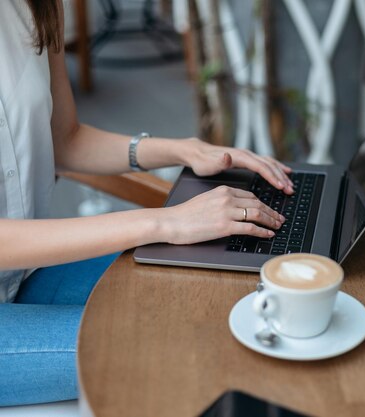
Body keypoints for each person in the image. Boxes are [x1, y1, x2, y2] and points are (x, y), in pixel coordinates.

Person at [0, 0, 292, 406]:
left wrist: (182, 149)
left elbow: (65, 140)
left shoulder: (37, 6)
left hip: (24, 277)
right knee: (181, 344)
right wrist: (165, 223)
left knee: (219, 285)